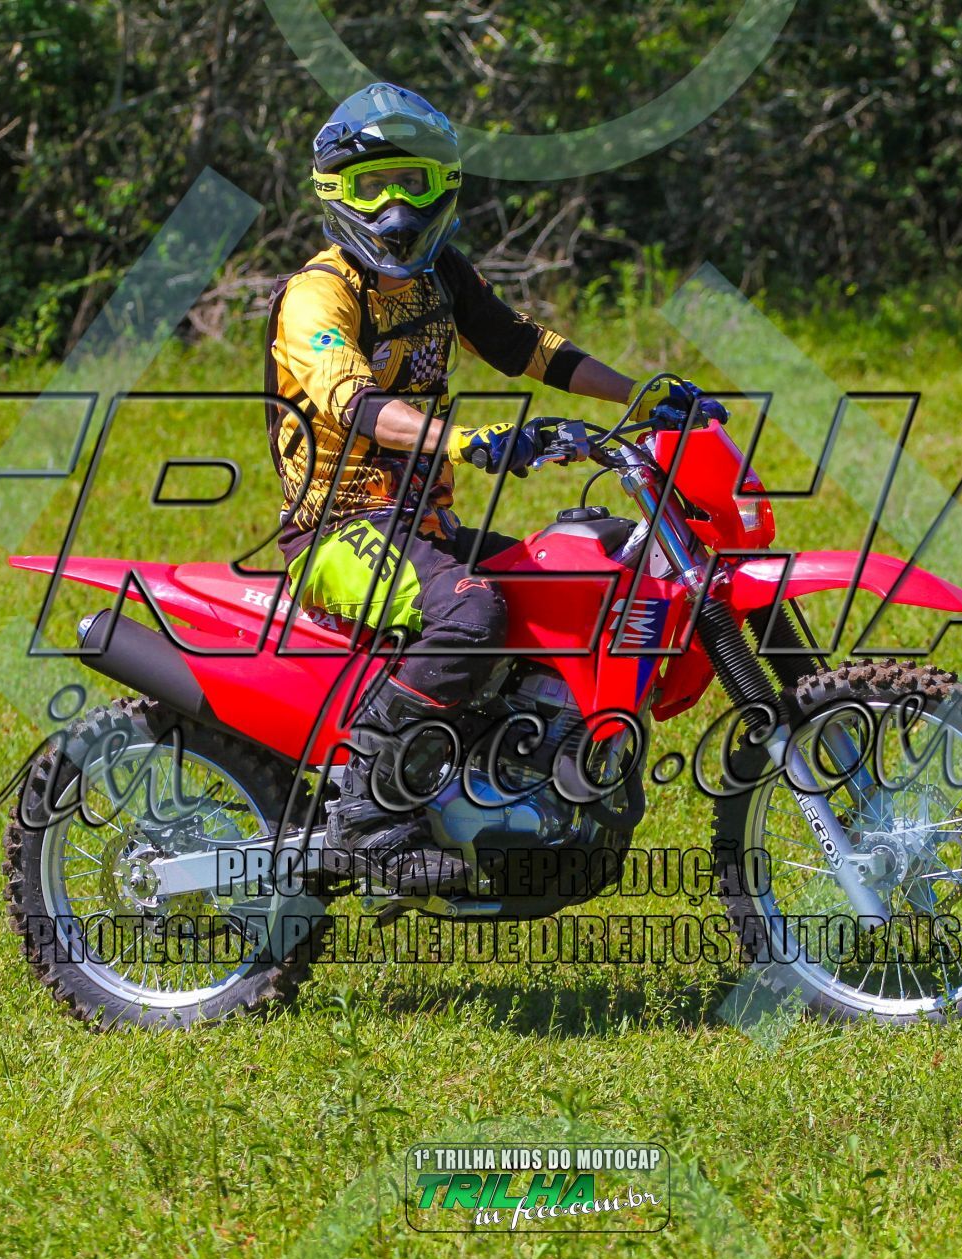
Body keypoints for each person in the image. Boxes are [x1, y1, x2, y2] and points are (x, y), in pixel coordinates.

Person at [265, 82, 722, 896]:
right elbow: (356, 403)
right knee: (474, 612)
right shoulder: (318, 295)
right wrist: (467, 441)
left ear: (444, 187)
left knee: (571, 591)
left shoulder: (440, 276)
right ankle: (366, 812)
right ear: (337, 193)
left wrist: (643, 398)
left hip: (422, 527)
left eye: (413, 184)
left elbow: (522, 345)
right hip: (336, 530)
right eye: (374, 187)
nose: (396, 208)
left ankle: (511, 784)